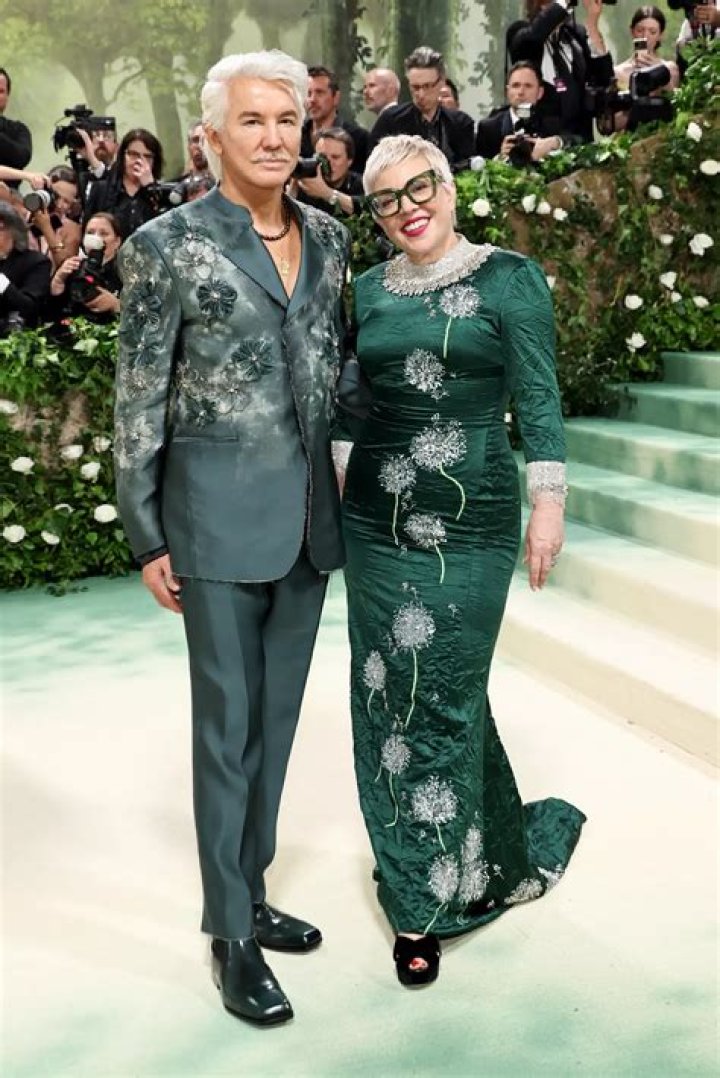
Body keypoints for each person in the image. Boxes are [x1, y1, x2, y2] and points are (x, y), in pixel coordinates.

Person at [114, 50, 350, 1027]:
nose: (273, 137)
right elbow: (137, 395)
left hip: (310, 524)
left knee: (278, 724)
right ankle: (230, 936)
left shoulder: (331, 237)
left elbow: (333, 365)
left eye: (287, 120)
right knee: (226, 730)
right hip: (210, 521)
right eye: (252, 120)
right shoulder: (164, 245)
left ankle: (250, 888)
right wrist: (145, 533)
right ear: (212, 137)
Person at [335, 134, 585, 986]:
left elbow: (539, 398)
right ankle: (421, 885)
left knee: (440, 689)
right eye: (387, 200)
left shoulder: (510, 278)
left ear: (448, 186)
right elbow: (352, 399)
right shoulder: (368, 290)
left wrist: (549, 503)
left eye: (420, 187)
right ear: (374, 215)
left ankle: (433, 891)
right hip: (376, 522)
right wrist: (340, 478)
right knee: (386, 697)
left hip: (473, 520)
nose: (408, 208)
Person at [507, 0, 614, 144]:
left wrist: (592, 23)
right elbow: (534, 35)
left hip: (580, 142)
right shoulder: (521, 33)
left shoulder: (575, 35)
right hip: (541, 143)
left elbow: (604, 78)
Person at [369, 47, 475, 170]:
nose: (421, 94)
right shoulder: (390, 120)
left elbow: (469, 170)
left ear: (441, 82)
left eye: (427, 86)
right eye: (415, 87)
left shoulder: (461, 123)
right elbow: (374, 167)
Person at [476, 61, 569, 163]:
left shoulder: (552, 123)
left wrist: (555, 142)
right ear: (507, 91)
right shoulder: (489, 128)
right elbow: (477, 167)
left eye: (528, 86)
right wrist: (500, 159)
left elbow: (576, 140)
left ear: (540, 92)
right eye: (516, 86)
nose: (521, 92)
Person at [84, 128, 164, 238]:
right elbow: (87, 231)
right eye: (133, 154)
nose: (139, 161)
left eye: (147, 156)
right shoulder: (100, 190)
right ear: (123, 156)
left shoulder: (162, 194)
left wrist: (151, 188)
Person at [48, 211, 123, 322]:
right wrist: (58, 282)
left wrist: (116, 305)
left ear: (117, 241)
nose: (96, 238)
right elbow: (53, 314)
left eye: (103, 234)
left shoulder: (127, 271)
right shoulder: (73, 267)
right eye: (90, 233)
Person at [301, 65, 370, 173]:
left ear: (336, 97)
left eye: (319, 93)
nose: (312, 100)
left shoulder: (359, 139)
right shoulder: (297, 136)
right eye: (308, 94)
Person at [0, 203, 51, 332]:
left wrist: (3, 284)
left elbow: (30, 307)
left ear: (14, 231)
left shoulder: (36, 262)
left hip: (14, 336)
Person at [295, 126, 364, 216]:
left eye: (335, 157)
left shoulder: (362, 185)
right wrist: (293, 187)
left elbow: (368, 212)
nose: (328, 163)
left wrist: (327, 193)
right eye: (322, 157)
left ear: (349, 161)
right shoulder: (307, 184)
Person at [27, 165, 82, 271]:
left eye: (66, 201)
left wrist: (47, 229)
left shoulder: (72, 229)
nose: (59, 205)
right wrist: (27, 176)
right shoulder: (23, 212)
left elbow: (65, 266)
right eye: (56, 196)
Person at [614, 6, 680, 92]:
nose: (645, 36)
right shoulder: (619, 72)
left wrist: (661, 72)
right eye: (640, 30)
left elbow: (675, 98)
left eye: (652, 32)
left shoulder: (670, 69)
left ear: (661, 35)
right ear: (632, 31)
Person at [0, 69, 32, 178]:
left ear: (7, 96)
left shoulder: (19, 130)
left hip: (9, 187)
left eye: (1, 91)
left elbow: (22, 157)